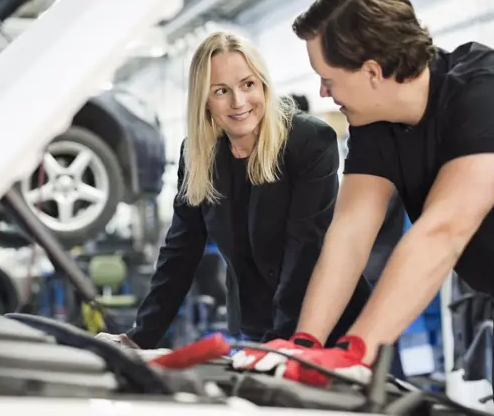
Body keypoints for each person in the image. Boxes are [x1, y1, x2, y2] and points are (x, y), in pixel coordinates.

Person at [234, 0, 494, 415]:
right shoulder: (376, 123)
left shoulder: (490, 94)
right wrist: (305, 344)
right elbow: (349, 234)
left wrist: (357, 352)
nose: (323, 92)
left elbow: (444, 231)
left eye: (328, 79)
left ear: (372, 71)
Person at [118, 31, 372, 349]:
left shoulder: (308, 141)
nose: (238, 102)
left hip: (329, 323)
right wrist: (139, 337)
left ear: (263, 85)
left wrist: (284, 341)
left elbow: (304, 247)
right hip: (256, 324)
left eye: (247, 85)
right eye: (221, 91)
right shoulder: (198, 154)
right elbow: (181, 251)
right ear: (204, 101)